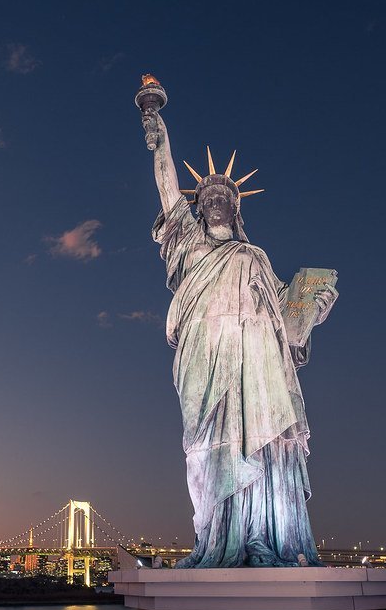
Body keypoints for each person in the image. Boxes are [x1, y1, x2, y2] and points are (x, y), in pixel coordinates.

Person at [142, 109, 337, 568]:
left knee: (265, 437)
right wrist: (159, 132)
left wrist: (312, 312)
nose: (213, 198)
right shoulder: (187, 243)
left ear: (235, 206)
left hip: (258, 358)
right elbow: (168, 188)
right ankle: (217, 537)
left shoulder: (255, 255)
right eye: (206, 194)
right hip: (204, 351)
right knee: (208, 444)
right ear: (198, 206)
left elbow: (286, 320)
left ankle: (264, 537)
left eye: (223, 195)